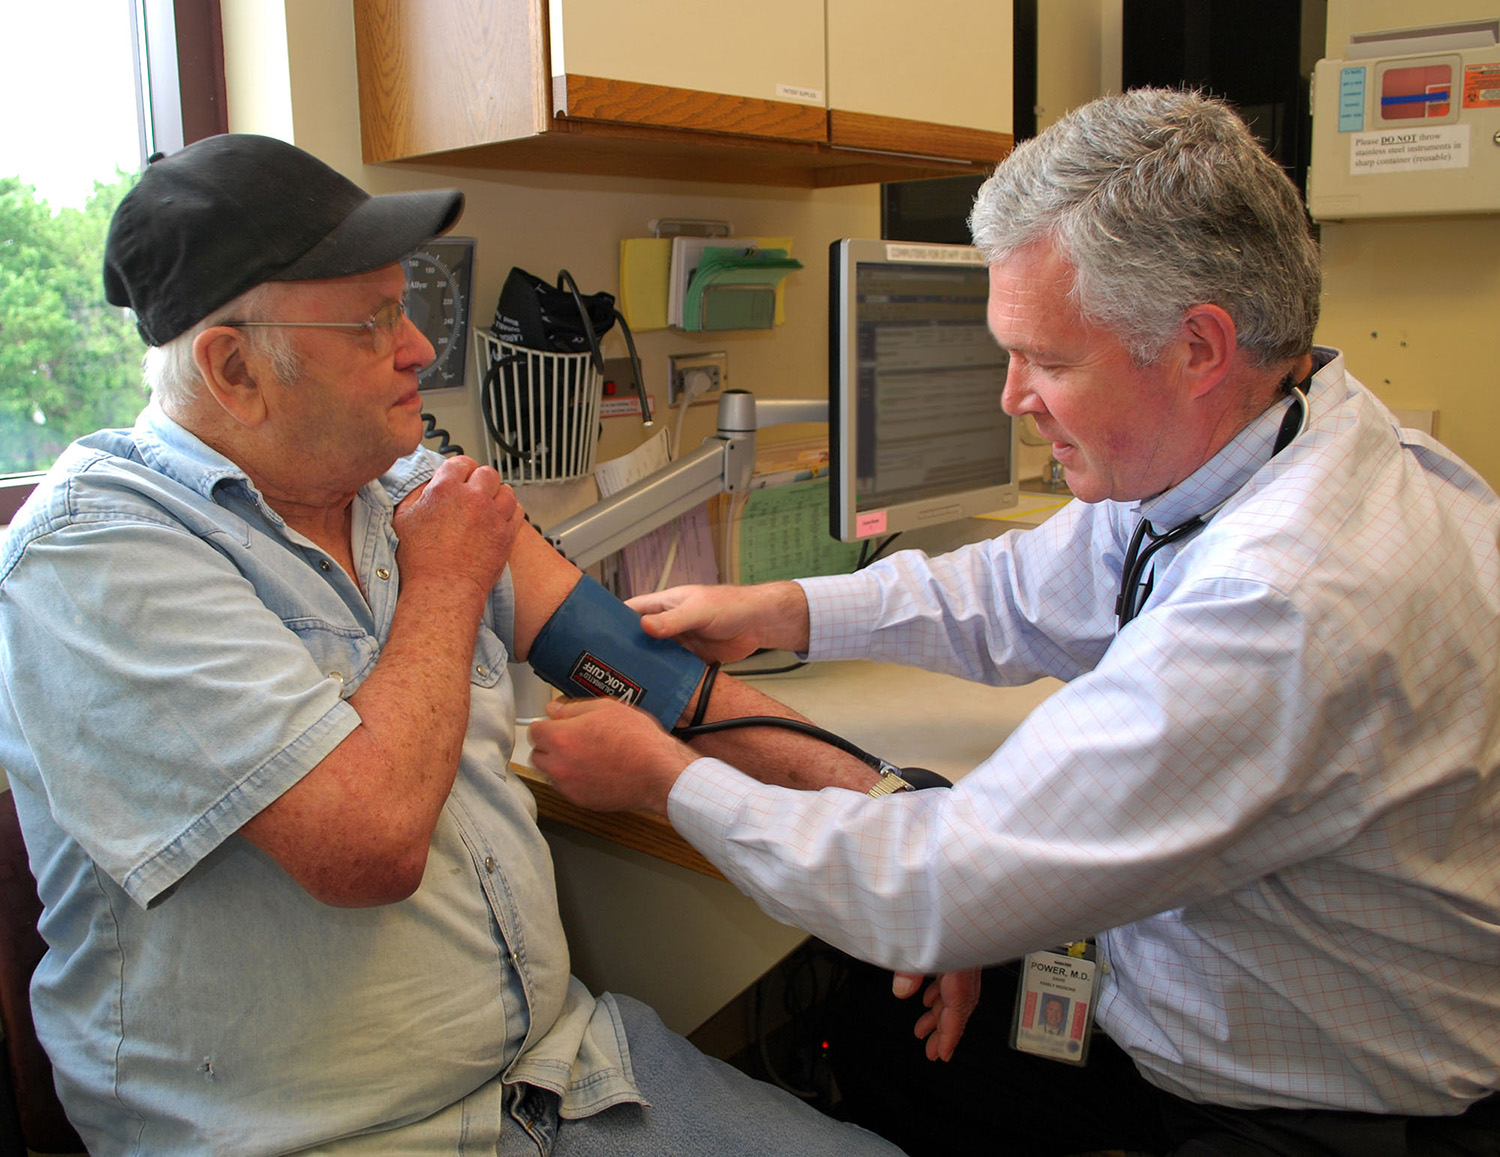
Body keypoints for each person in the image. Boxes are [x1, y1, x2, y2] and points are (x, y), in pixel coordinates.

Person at [528, 88, 1500, 1156]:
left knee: (901, 1012)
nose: (1009, 396)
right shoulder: (1280, 429)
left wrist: (662, 780)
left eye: (1046, 359)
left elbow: (932, 885)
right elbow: (1016, 588)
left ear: (1198, 346)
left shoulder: (1284, 598)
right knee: (882, 1028)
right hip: (1207, 987)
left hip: (1301, 1110)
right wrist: (780, 607)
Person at [0, 133, 908, 1156]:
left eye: (409, 308)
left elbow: (662, 682)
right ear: (235, 368)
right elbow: (367, 843)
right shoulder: (94, 555)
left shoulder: (401, 493)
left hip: (563, 1077)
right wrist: (443, 580)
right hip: (320, 1136)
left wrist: (895, 817)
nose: (420, 348)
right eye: (374, 321)